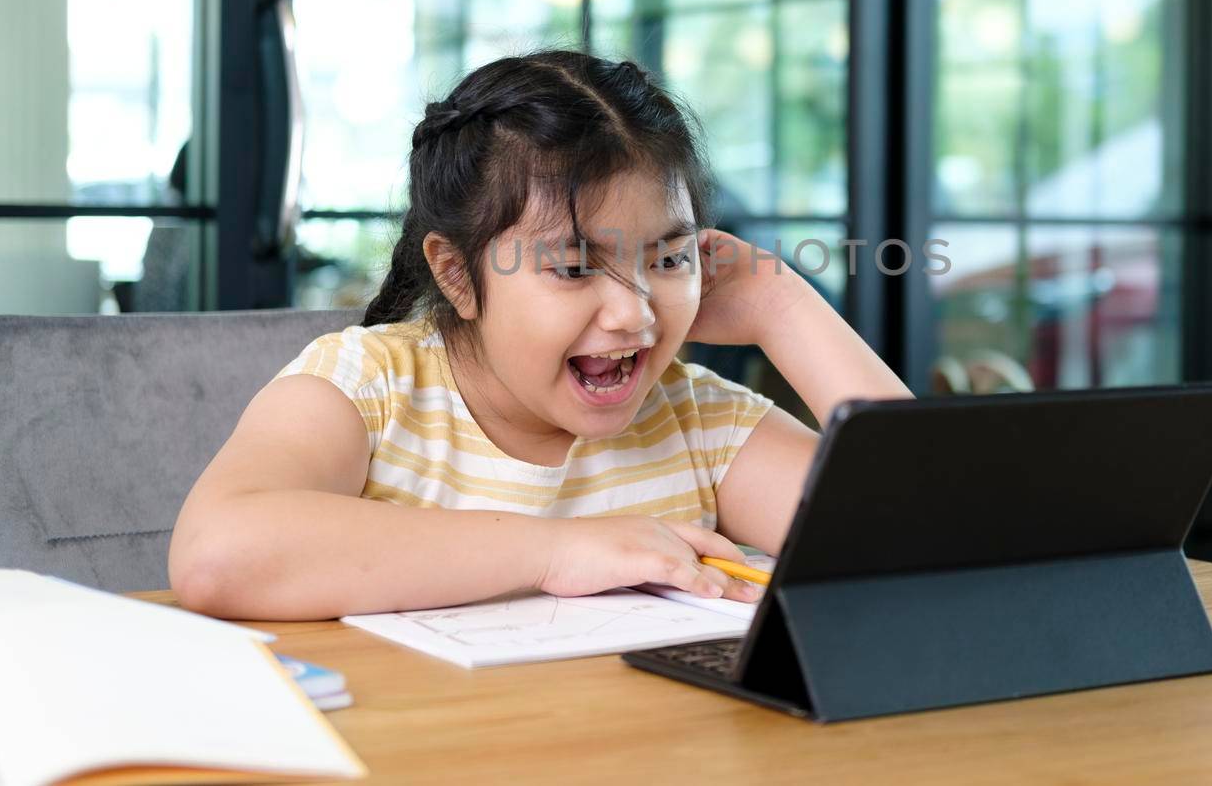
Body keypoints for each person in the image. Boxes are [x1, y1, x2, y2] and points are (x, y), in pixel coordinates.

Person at [169, 51, 911, 621]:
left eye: (669, 257)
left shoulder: (694, 420)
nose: (635, 313)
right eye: (575, 266)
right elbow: (218, 554)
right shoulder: (371, 387)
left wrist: (784, 308)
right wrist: (556, 548)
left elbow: (929, 540)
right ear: (458, 275)